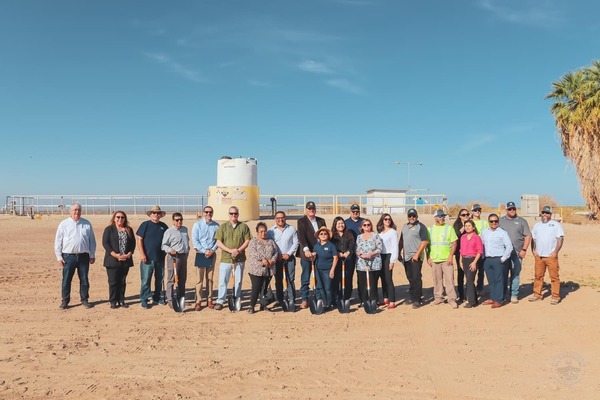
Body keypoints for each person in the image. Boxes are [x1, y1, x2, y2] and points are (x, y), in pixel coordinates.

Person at [54, 203, 97, 310]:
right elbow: (58, 241)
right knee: (66, 280)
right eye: (74, 210)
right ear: (70, 211)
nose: (76, 212)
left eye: (78, 210)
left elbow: (92, 240)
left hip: (84, 256)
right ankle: (65, 301)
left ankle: (84, 300)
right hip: (68, 257)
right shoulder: (64, 224)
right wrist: (59, 256)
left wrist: (92, 254)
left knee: (84, 279)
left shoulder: (86, 224)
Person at [214, 206, 252, 310]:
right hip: (226, 259)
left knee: (238, 281)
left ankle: (237, 298)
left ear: (238, 214)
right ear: (229, 214)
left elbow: (247, 241)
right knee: (223, 280)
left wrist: (238, 250)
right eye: (231, 213)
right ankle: (220, 300)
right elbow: (218, 242)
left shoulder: (244, 227)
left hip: (240, 259)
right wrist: (230, 251)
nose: (233, 215)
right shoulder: (223, 227)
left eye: (235, 213)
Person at [530, 206, 565, 305]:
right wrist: (533, 250)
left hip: (551, 256)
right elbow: (534, 239)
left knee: (554, 277)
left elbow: (560, 239)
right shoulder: (537, 225)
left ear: (551, 214)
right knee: (538, 276)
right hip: (539, 256)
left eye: (547, 213)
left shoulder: (556, 225)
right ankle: (537, 294)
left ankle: (555, 296)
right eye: (543, 213)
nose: (545, 215)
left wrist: (556, 252)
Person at [136, 205, 169, 309]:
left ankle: (157, 297)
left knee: (160, 279)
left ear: (161, 215)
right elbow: (139, 239)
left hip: (160, 258)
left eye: (158, 213)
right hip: (147, 258)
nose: (156, 215)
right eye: (154, 213)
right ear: (150, 214)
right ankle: (144, 299)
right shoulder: (145, 225)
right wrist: (142, 254)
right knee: (146, 280)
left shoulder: (164, 226)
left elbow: (169, 240)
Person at [102, 211, 136, 309]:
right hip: (112, 260)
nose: (120, 219)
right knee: (113, 282)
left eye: (122, 217)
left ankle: (121, 300)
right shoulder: (109, 229)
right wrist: (115, 255)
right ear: (114, 218)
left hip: (126, 260)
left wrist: (130, 253)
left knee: (122, 281)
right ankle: (113, 301)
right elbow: (105, 243)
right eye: (118, 217)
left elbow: (132, 243)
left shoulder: (129, 229)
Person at [499, 201, 532, 304]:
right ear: (506, 210)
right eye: (510, 209)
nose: (512, 211)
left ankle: (514, 295)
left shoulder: (522, 221)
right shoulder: (500, 221)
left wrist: (524, 250)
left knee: (515, 274)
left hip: (517, 253)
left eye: (513, 209)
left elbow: (527, 236)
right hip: (503, 254)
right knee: (503, 274)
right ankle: (503, 294)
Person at [426, 209, 459, 309]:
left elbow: (454, 243)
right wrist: (428, 257)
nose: (442, 218)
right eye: (440, 216)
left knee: (449, 279)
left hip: (446, 259)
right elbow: (427, 245)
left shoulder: (449, 228)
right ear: (435, 217)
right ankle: (438, 298)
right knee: (437, 280)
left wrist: (450, 256)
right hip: (435, 259)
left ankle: (452, 299)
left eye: (443, 216)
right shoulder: (429, 229)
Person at [297, 201, 326, 309]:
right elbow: (301, 236)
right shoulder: (301, 221)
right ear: (306, 210)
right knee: (305, 277)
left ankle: (319, 298)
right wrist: (306, 250)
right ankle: (304, 299)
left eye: (313, 208)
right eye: (309, 209)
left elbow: (325, 235)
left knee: (318, 277)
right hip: (307, 255)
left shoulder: (321, 221)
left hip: (319, 254)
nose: (311, 210)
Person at [267, 211, 299, 310]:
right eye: (278, 218)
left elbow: (296, 243)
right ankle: (280, 299)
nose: (280, 220)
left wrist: (288, 254)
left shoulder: (291, 229)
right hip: (277, 259)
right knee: (278, 280)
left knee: (290, 279)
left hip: (289, 258)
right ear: (275, 219)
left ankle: (291, 299)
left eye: (282, 217)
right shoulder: (271, 231)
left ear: (285, 218)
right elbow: (270, 245)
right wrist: (278, 255)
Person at [480, 213, 513, 309]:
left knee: (499, 280)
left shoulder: (502, 233)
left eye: (495, 221)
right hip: (487, 259)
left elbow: (509, 246)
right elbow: (482, 244)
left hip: (498, 259)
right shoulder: (484, 232)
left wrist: (503, 258)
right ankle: (493, 298)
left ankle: (499, 300)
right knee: (491, 280)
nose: (494, 223)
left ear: (498, 222)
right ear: (488, 222)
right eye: (491, 221)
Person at [399, 208, 429, 309]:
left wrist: (417, 254)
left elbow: (424, 241)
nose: (412, 217)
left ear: (417, 216)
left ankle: (417, 299)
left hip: (416, 257)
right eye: (410, 216)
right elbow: (401, 240)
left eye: (414, 216)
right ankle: (412, 296)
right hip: (406, 257)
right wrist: (399, 252)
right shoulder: (404, 227)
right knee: (410, 277)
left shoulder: (421, 227)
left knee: (416, 278)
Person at [192, 206, 219, 311]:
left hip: (212, 254)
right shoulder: (197, 225)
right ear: (203, 213)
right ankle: (198, 301)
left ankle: (209, 300)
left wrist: (212, 250)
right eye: (206, 212)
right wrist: (205, 251)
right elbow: (195, 240)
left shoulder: (216, 226)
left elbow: (218, 240)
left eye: (210, 212)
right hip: (200, 254)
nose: (208, 214)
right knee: (199, 279)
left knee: (210, 278)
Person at [246, 222, 278, 313]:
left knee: (264, 288)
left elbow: (276, 252)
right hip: (256, 269)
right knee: (256, 287)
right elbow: (253, 253)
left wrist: (272, 260)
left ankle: (263, 305)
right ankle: (251, 306)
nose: (263, 233)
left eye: (265, 231)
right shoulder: (254, 241)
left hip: (269, 269)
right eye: (261, 231)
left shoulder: (271, 241)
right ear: (257, 232)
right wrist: (262, 259)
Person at [162, 212, 190, 310]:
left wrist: (187, 252)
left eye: (181, 219)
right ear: (173, 221)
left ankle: (181, 298)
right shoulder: (169, 231)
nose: (179, 222)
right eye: (177, 220)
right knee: (171, 279)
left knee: (182, 279)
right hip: (173, 257)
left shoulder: (185, 230)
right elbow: (164, 245)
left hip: (183, 257)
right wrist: (170, 250)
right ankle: (170, 300)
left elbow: (187, 242)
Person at [330, 216, 355, 306]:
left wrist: (349, 252)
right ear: (335, 225)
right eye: (338, 224)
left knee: (347, 279)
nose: (341, 225)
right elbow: (331, 246)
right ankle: (336, 299)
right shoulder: (332, 235)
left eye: (342, 223)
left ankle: (346, 297)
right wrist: (338, 253)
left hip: (348, 260)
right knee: (336, 280)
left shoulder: (349, 234)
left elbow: (352, 245)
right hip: (337, 260)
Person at [355, 219, 382, 305]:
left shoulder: (375, 235)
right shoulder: (359, 237)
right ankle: (364, 300)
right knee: (362, 283)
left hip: (374, 263)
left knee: (372, 282)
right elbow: (357, 249)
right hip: (362, 264)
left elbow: (379, 248)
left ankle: (374, 300)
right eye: (365, 225)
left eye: (368, 225)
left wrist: (371, 254)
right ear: (362, 227)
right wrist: (359, 253)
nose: (367, 226)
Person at [311, 226, 339, 310]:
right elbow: (314, 257)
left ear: (328, 235)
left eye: (325, 233)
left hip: (328, 270)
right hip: (318, 269)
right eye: (321, 234)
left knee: (328, 287)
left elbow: (335, 258)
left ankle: (329, 303)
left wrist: (332, 270)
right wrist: (312, 256)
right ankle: (322, 301)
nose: (323, 235)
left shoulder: (331, 245)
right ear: (318, 236)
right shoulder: (316, 246)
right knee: (319, 286)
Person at [376, 213, 399, 309]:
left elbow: (394, 247)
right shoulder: (380, 233)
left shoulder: (393, 232)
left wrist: (392, 261)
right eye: (385, 219)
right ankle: (385, 298)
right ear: (382, 220)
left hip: (388, 256)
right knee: (382, 278)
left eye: (389, 219)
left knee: (388, 279)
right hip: (380, 256)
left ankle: (392, 301)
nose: (387, 221)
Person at [459, 219, 482, 308]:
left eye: (469, 226)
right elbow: (461, 250)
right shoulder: (463, 237)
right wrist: (460, 260)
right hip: (464, 260)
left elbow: (479, 251)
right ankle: (474, 300)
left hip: (473, 260)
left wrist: (474, 262)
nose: (467, 227)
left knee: (469, 280)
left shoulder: (477, 237)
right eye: (466, 226)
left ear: (473, 227)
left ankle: (471, 301)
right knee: (469, 280)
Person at [452, 208, 470, 302]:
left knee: (469, 273)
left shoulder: (471, 223)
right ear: (460, 216)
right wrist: (464, 227)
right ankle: (461, 295)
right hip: (459, 252)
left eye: (467, 214)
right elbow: (456, 235)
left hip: (469, 252)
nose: (466, 216)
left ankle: (470, 293)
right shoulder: (456, 225)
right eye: (463, 215)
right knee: (460, 273)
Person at [470, 204, 488, 292]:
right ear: (472, 212)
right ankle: (471, 288)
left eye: (479, 210)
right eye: (475, 210)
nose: (477, 211)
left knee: (481, 271)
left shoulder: (485, 223)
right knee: (472, 270)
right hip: (471, 250)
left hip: (482, 250)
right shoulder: (469, 222)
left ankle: (480, 287)